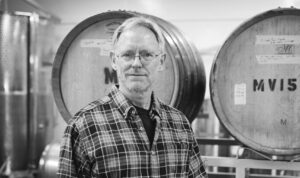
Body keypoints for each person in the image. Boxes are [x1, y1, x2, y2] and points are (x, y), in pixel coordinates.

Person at [57, 16, 207, 178]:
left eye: (147, 54)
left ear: (161, 61)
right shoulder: (83, 126)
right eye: (127, 55)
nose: (136, 63)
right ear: (114, 60)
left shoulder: (179, 124)